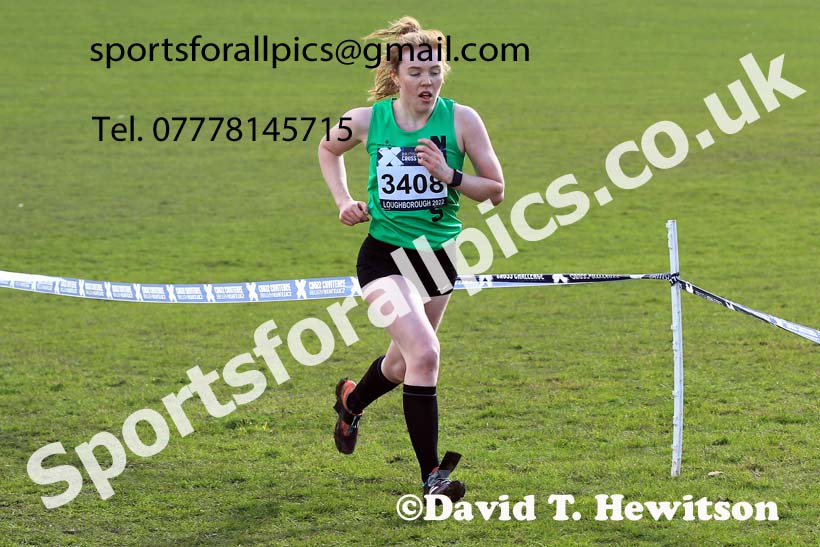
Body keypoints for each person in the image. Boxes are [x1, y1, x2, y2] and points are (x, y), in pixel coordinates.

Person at [317, 16, 504, 502]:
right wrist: (343, 200)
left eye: (435, 71)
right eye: (417, 72)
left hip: (438, 259)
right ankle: (431, 478)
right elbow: (327, 147)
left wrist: (449, 175)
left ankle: (351, 403)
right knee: (425, 355)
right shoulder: (365, 119)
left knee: (403, 367)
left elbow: (496, 191)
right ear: (396, 74)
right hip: (383, 257)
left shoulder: (463, 120)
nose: (428, 81)